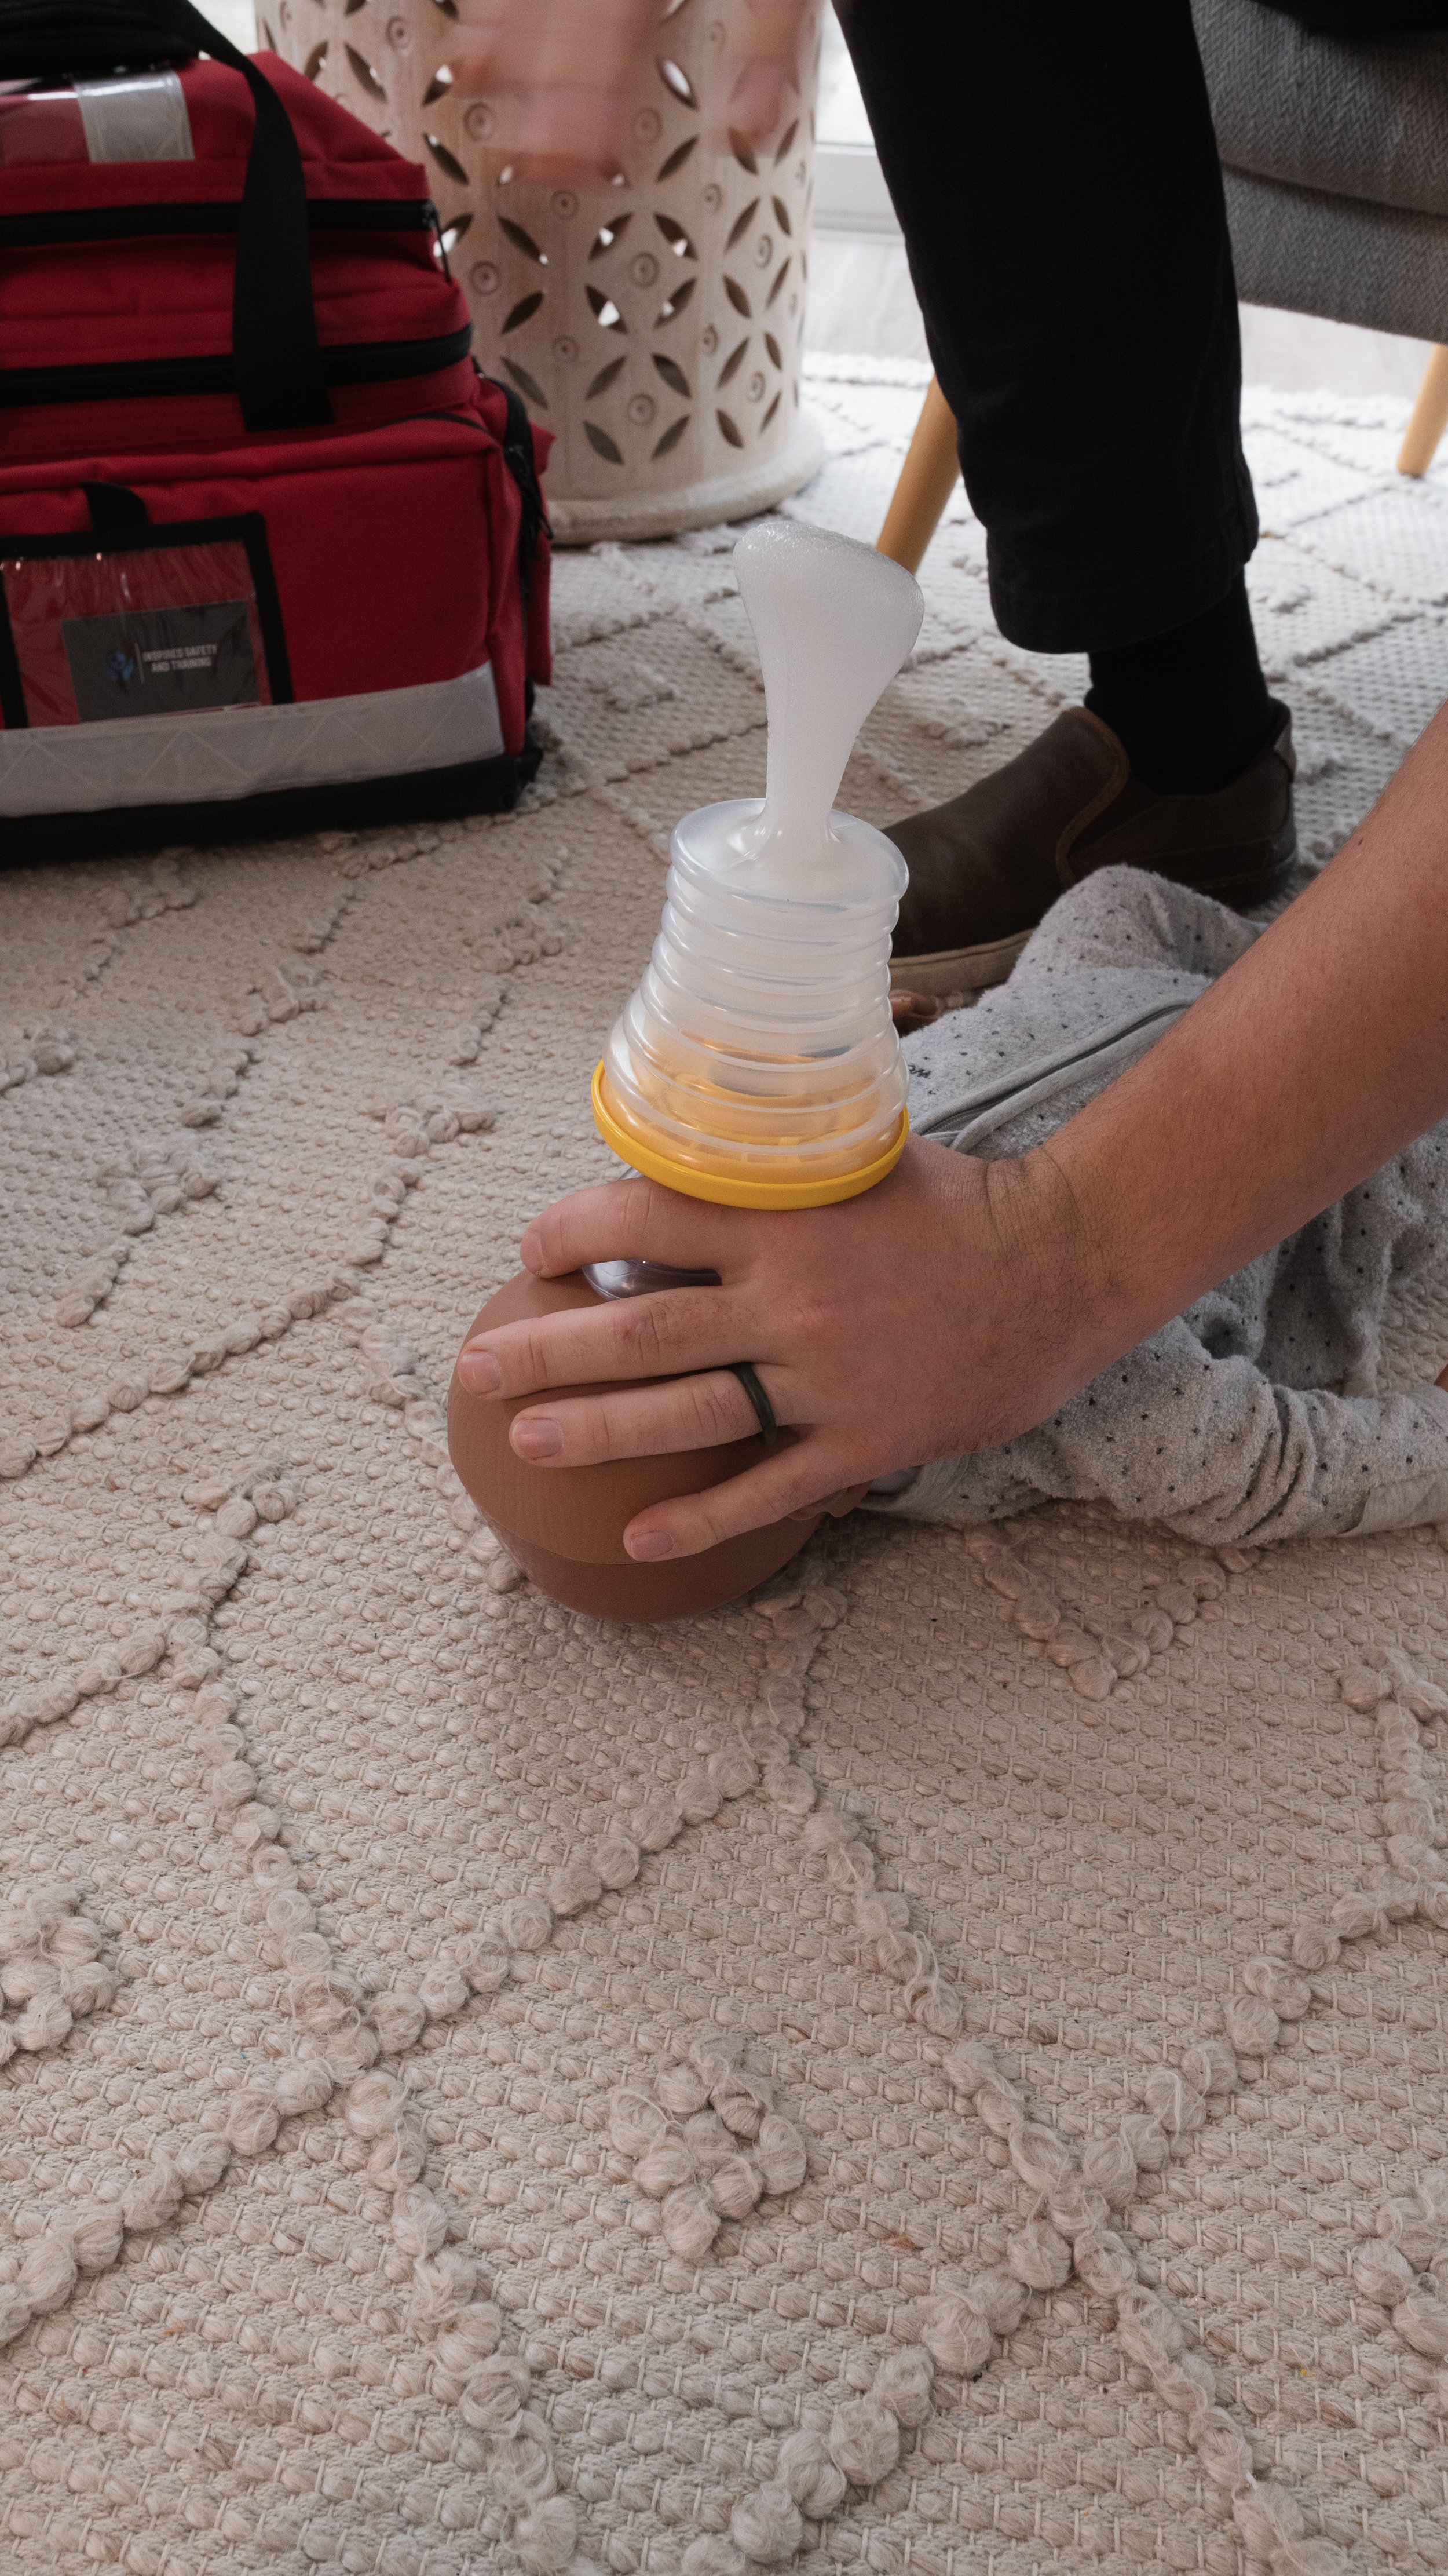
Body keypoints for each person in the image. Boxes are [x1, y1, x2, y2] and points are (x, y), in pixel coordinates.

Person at [449, 0, 1448, 1564]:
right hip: (1276, 1083)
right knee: (1140, 899)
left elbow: (1274, 1448)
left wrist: (1060, 1256)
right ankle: (1179, 732)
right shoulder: (1074, 1387)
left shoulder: (1044, 1391)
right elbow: (1273, 1459)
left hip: (1263, 1102)